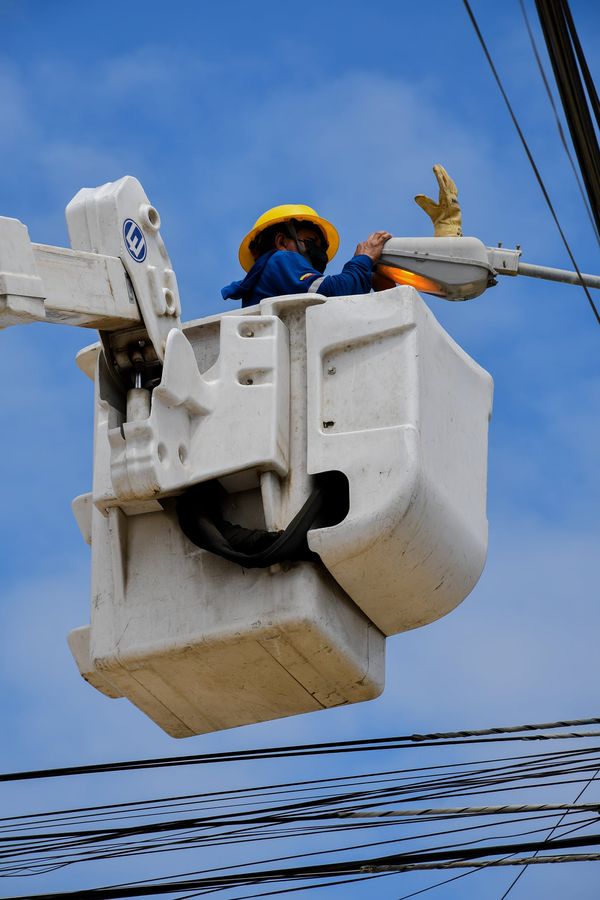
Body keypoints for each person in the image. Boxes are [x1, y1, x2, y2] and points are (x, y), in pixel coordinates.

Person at [221, 203, 391, 308]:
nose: (318, 252)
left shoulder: (269, 279)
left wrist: (369, 277)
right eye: (310, 241)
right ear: (282, 242)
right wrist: (364, 259)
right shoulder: (281, 259)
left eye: (321, 247)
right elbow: (334, 293)